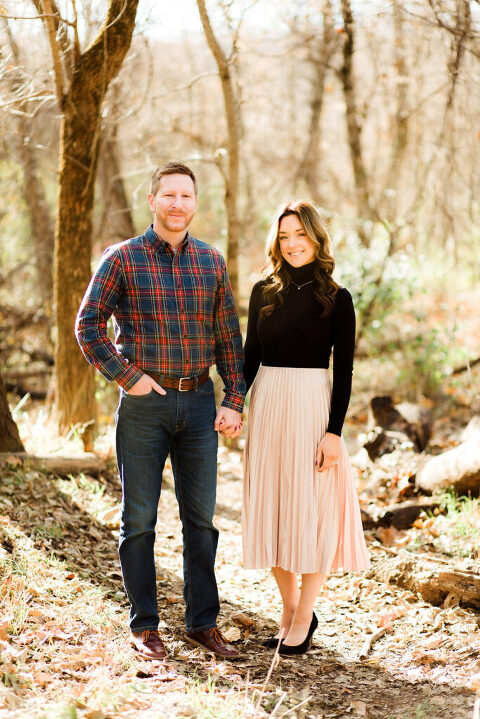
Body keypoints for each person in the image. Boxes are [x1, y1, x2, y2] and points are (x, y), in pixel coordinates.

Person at [75, 162, 244, 661]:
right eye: (168, 195)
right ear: (152, 201)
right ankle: (145, 626)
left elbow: (228, 339)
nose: (177, 204)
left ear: (195, 203)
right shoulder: (122, 258)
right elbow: (88, 326)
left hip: (198, 405)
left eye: (185, 196)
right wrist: (127, 376)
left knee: (201, 522)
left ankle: (202, 624)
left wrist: (233, 399)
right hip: (144, 406)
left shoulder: (211, 261)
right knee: (139, 520)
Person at [242, 200, 370, 656]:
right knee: (272, 507)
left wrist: (334, 433)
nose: (292, 244)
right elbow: (250, 357)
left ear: (316, 238)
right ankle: (292, 609)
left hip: (313, 406)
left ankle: (305, 613)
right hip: (268, 404)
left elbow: (345, 372)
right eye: (284, 236)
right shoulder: (263, 292)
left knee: (314, 511)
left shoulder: (337, 298)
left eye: (300, 234)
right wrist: (233, 404)